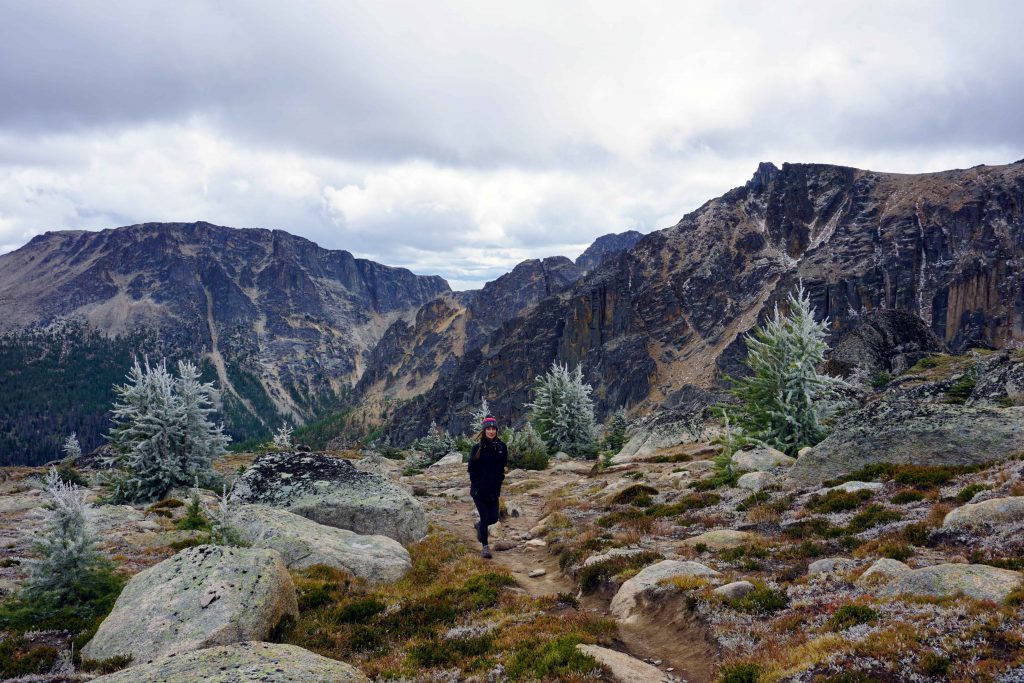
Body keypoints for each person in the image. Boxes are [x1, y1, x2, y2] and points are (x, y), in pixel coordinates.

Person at [468, 415, 507, 559]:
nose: (491, 431)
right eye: (488, 429)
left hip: (493, 491)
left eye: (493, 429)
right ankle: (485, 546)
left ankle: (479, 526)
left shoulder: (502, 447)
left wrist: (499, 482)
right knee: (485, 518)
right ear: (484, 431)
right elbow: (471, 469)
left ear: (496, 430)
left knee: (493, 519)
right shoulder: (477, 448)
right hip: (479, 492)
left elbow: (502, 467)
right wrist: (476, 485)